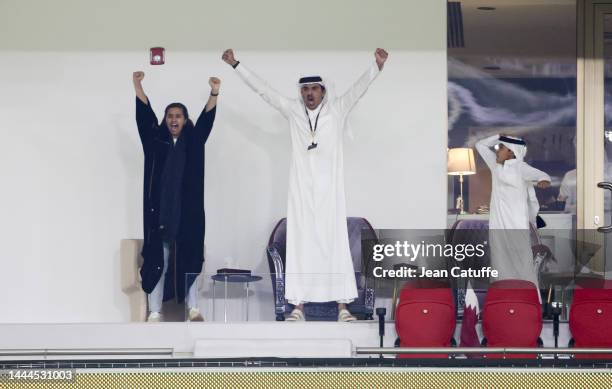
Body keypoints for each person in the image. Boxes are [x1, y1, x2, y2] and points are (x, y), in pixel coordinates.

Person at [222, 48, 388, 322]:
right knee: (301, 245)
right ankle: (297, 306)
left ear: (323, 92)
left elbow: (359, 89)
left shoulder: (337, 109)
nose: (309, 93)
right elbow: (263, 90)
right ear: (301, 93)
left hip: (330, 193)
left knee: (334, 245)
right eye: (305, 90)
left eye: (314, 89)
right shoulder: (292, 111)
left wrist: (377, 66)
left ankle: (342, 307)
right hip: (300, 192)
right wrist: (236, 65)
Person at [133, 71, 219, 322]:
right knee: (158, 263)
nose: (173, 120)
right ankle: (155, 311)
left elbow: (206, 121)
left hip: (187, 216)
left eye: (178, 116)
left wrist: (214, 92)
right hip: (159, 215)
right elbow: (143, 118)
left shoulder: (194, 142)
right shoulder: (155, 142)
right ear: (165, 120)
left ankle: (193, 309)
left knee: (190, 262)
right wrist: (138, 87)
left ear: (184, 120)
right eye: (169, 116)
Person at [475, 134, 551, 287]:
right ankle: (504, 298)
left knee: (521, 261)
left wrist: (543, 180)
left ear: (511, 152)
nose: (497, 151)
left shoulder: (521, 168)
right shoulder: (495, 165)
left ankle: (526, 297)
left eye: (501, 148)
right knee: (499, 260)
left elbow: (542, 175)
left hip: (516, 224)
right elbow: (480, 145)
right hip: (498, 224)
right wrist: (499, 137)